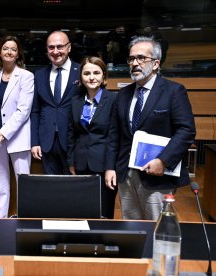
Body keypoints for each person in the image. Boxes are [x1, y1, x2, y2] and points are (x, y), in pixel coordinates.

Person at [105, 36, 196, 220]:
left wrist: (163, 161)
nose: (135, 63)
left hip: (158, 176)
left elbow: (186, 131)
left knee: (157, 227)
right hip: (126, 174)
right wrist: (110, 167)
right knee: (131, 229)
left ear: (155, 64)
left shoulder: (173, 91)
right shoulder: (123, 94)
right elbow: (115, 134)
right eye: (131, 59)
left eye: (141, 58)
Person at [0, 36, 34, 218]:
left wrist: (3, 133)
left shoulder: (26, 76)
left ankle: (25, 222)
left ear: (18, 53)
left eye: (13, 49)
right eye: (5, 48)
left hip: (17, 139)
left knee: (24, 186)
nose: (9, 51)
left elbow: (23, 110)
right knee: (1, 186)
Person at [67, 56, 117, 219]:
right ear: (81, 77)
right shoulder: (75, 101)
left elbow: (114, 137)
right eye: (87, 73)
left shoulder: (114, 100)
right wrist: (71, 161)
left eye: (96, 72)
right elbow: (71, 134)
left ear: (104, 76)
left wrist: (111, 167)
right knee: (81, 210)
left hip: (104, 166)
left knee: (104, 213)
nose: (92, 77)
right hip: (80, 164)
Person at [31, 30, 80, 174]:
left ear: (69, 48)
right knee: (51, 189)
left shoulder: (81, 71)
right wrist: (35, 142)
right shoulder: (39, 75)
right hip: (47, 142)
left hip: (73, 142)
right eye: (51, 47)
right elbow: (35, 111)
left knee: (73, 189)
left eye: (60, 46)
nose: (55, 51)